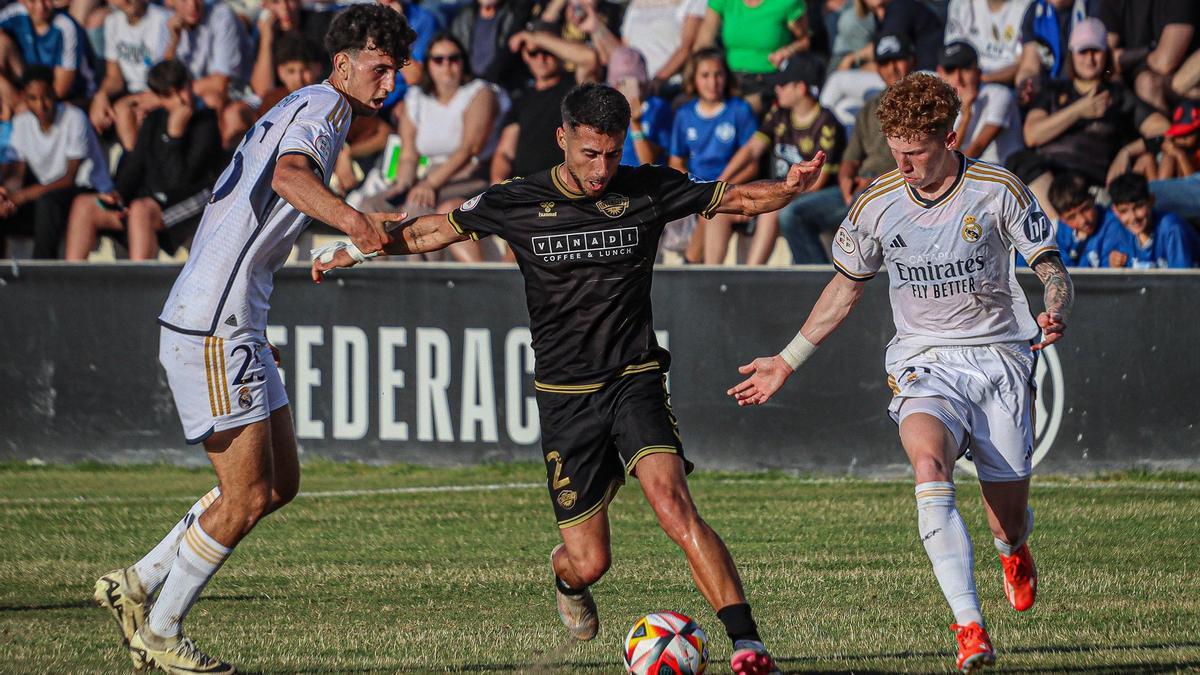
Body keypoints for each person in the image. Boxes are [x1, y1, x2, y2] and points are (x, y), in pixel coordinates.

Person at [312, 82, 830, 675]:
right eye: (590, 154)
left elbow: (737, 198)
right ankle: (568, 582)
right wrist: (356, 251)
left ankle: (748, 645)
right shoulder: (518, 198)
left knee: (672, 502)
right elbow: (432, 230)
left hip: (633, 377)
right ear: (563, 139)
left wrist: (787, 190)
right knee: (588, 562)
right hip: (564, 399)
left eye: (613, 153)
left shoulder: (648, 188)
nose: (602, 168)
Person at [91, 6, 413, 674]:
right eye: (381, 68)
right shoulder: (326, 108)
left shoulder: (303, 101)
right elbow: (289, 178)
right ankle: (161, 629)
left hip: (232, 318)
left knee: (279, 481)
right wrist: (353, 221)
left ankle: (139, 580)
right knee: (245, 498)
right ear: (346, 60)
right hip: (216, 322)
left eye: (395, 72)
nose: (388, 85)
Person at [727, 72, 1074, 673]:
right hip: (923, 362)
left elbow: (1052, 268)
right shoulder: (877, 204)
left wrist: (1055, 309)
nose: (904, 164)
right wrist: (786, 361)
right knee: (928, 463)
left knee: (1006, 515)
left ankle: (1013, 548)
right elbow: (844, 289)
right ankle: (969, 627)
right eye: (897, 150)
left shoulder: (997, 191)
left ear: (949, 137)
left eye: (916, 151)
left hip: (999, 358)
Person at [65, 59, 225, 261]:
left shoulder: (206, 122)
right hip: (153, 202)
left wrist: (174, 137)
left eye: (181, 89)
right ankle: (68, 287)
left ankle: (138, 286)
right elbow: (137, 161)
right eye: (168, 95)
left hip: (193, 203)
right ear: (158, 97)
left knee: (141, 210)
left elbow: (179, 182)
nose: (179, 100)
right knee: (84, 205)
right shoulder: (154, 119)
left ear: (190, 84)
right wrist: (119, 195)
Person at [1011, 18, 1166, 218]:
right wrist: (1079, 110)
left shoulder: (1118, 96)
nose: (1089, 59)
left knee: (1070, 185)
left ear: (1107, 55)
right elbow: (1032, 135)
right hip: (1048, 178)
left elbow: (1163, 127)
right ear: (1072, 54)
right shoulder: (1053, 90)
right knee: (1019, 160)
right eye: (1083, 51)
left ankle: (1063, 232)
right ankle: (1060, 230)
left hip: (1089, 181)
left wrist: (1128, 151)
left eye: (1096, 51)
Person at [384, 33, 505, 262]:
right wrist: (402, 185)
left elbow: (470, 147)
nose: (447, 65)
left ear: (464, 62)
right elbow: (409, 154)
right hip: (428, 176)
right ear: (428, 64)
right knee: (375, 205)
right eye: (438, 60)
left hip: (469, 174)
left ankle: (420, 278)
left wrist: (430, 183)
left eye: (454, 58)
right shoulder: (417, 97)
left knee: (417, 207)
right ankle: (376, 281)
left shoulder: (480, 92)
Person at [720, 53, 845, 264]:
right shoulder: (779, 114)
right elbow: (751, 150)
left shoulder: (827, 122)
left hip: (808, 195)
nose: (776, 89)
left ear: (801, 87)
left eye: (783, 84)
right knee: (722, 203)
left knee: (772, 208)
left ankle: (751, 274)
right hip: (781, 187)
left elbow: (819, 182)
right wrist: (721, 181)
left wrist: (781, 193)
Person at [0, 65, 112, 258]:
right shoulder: (21, 123)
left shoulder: (74, 118)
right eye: (33, 99)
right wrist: (6, 196)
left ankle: (43, 275)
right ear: (24, 98)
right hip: (47, 192)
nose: (41, 105)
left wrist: (22, 196)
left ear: (54, 92)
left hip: (87, 190)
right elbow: (16, 177)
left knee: (47, 203)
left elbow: (69, 179)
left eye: (46, 97)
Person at [669, 48, 757, 264]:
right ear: (694, 79)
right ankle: (695, 266)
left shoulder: (739, 110)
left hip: (731, 187)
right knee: (708, 205)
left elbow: (752, 164)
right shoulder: (685, 114)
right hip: (695, 188)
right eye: (705, 76)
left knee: (714, 208)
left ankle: (701, 269)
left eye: (718, 75)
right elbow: (675, 162)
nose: (713, 82)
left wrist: (720, 188)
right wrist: (695, 189)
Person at [695, 0, 809, 107]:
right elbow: (703, 42)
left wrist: (788, 51)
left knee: (741, 110)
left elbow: (804, 41)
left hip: (767, 80)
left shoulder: (787, 2)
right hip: (729, 78)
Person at [491, 43, 575, 183]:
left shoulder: (575, 89)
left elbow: (589, 58)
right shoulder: (521, 99)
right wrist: (497, 187)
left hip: (562, 185)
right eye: (533, 53)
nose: (541, 58)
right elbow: (504, 152)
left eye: (547, 52)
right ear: (525, 56)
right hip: (523, 186)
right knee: (450, 205)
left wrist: (534, 38)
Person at [89, 0, 171, 138]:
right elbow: (114, 78)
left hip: (160, 90)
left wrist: (143, 102)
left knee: (123, 110)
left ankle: (133, 157)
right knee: (101, 113)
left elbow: (169, 74)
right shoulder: (112, 22)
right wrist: (101, 96)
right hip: (132, 93)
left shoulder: (163, 20)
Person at [937, 41, 1024, 165]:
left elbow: (977, 148)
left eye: (965, 68)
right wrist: (966, 116)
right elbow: (947, 154)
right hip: (967, 171)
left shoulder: (998, 94)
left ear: (978, 70)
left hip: (1006, 170)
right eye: (950, 70)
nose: (958, 78)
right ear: (940, 72)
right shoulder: (940, 104)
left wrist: (967, 114)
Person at [1101, 171, 1199, 268]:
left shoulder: (1171, 228)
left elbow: (1182, 280)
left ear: (1151, 200)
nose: (1133, 217)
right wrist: (1113, 266)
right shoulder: (1119, 232)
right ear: (1115, 211)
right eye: (1123, 211)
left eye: (1139, 207)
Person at [610, 47, 673, 167]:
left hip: (647, 182)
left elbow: (648, 162)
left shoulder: (659, 108)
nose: (628, 86)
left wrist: (635, 123)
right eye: (621, 81)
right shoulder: (606, 107)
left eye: (635, 80)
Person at [943, 0, 1030, 85]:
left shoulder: (1026, 7)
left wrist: (981, 79)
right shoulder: (960, 4)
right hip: (961, 80)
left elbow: (1021, 66)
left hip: (1000, 85)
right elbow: (950, 55)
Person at [1045, 171, 1116, 267]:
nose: (1083, 220)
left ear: (1093, 199)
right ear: (1062, 219)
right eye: (1072, 217)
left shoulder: (1112, 225)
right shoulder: (1061, 231)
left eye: (1085, 209)